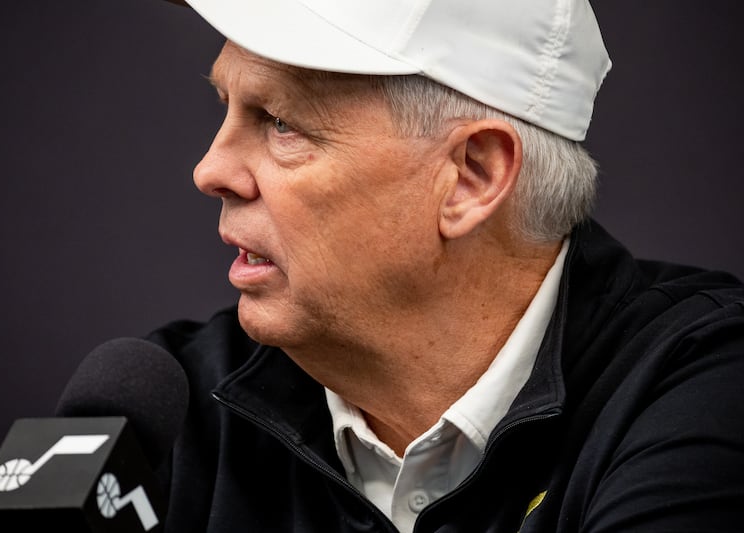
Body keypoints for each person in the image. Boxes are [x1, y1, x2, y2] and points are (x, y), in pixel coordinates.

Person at [147, 0, 744, 531]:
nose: (211, 170)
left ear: (470, 176)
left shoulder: (703, 388)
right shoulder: (164, 407)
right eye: (226, 107)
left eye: (281, 122)